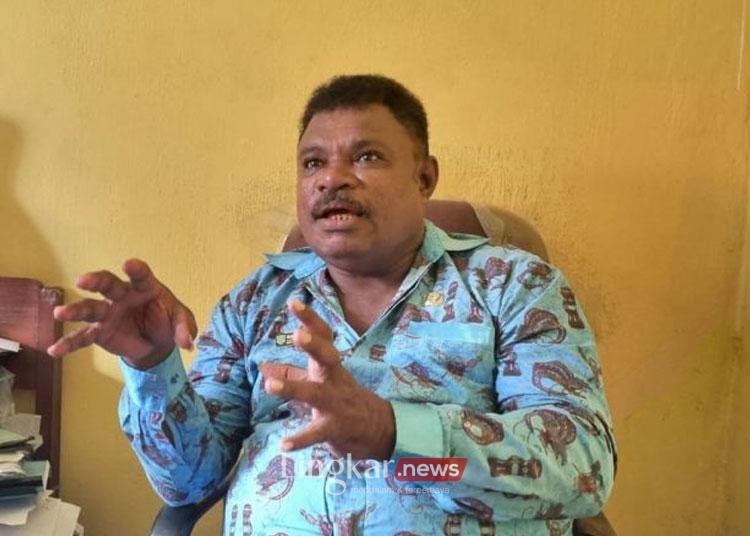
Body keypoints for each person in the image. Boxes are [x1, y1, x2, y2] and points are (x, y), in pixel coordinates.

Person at [48, 75, 617, 535]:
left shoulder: (514, 287)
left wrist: (395, 434)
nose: (331, 180)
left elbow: (583, 469)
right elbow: (190, 484)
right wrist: (153, 368)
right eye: (313, 163)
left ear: (424, 178)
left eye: (366, 157)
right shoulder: (254, 301)